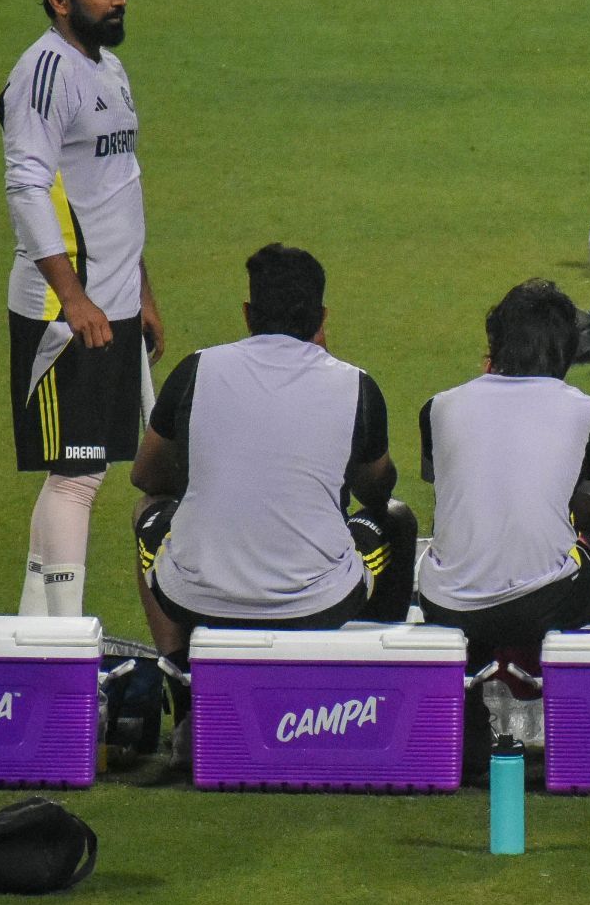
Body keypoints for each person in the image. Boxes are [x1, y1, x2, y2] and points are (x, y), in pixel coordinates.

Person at [130, 244, 417, 671]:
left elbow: (146, 475)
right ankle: (364, 685)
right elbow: (376, 489)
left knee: (147, 510)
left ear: (248, 314)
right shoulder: (355, 386)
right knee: (395, 518)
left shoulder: (196, 369)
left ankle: (182, 680)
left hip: (196, 598)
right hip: (317, 604)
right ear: (322, 319)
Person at [0, 0, 164, 617]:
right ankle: (63, 644)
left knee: (80, 473)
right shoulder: (44, 74)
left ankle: (36, 629)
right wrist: (74, 298)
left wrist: (143, 292)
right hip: (66, 313)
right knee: (77, 477)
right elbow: (26, 188)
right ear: (58, 0)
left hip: (114, 302)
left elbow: (116, 188)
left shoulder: (108, 68)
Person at [416, 279, 590, 655]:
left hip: (447, 608)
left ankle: (466, 698)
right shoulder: (586, 412)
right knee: (586, 550)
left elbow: (443, 482)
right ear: (568, 352)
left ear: (495, 345)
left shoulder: (438, 408)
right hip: (543, 609)